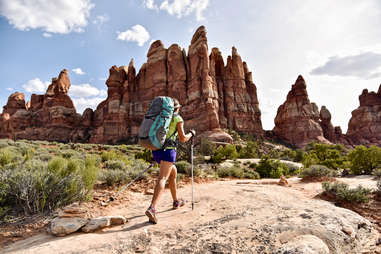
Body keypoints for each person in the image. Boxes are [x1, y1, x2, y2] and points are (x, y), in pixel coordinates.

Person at [145, 98, 195, 224]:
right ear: (177, 108)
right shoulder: (178, 118)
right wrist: (191, 134)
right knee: (162, 178)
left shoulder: (159, 117)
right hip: (168, 151)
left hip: (156, 150)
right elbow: (183, 138)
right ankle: (152, 208)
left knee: (173, 173)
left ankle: (176, 201)